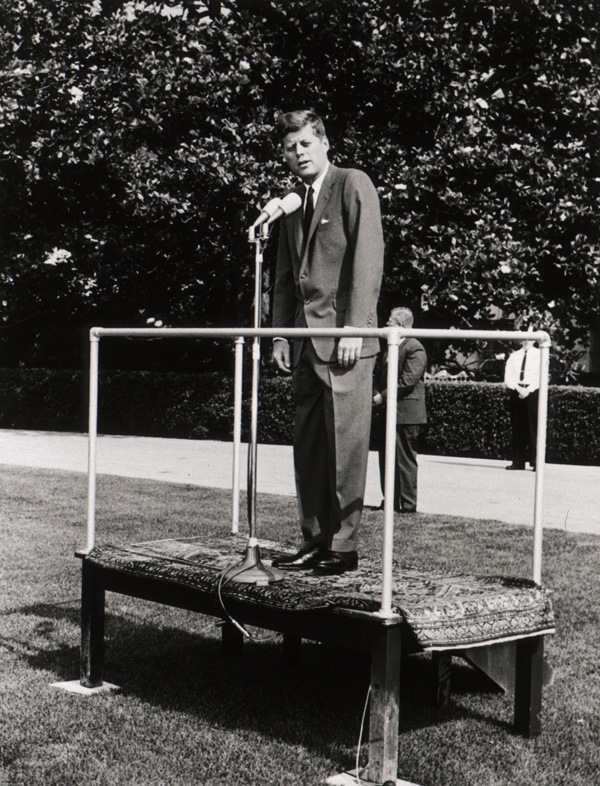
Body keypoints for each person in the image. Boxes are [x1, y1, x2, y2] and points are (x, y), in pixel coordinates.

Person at [270, 109, 384, 575]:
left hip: (345, 344)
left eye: (305, 144)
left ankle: (344, 545)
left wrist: (356, 326)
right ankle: (314, 537)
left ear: (324, 143)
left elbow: (368, 257)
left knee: (346, 446)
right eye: (290, 148)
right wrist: (279, 331)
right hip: (303, 345)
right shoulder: (292, 205)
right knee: (310, 447)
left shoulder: (353, 183)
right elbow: (282, 278)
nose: (298, 153)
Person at [373, 307, 427, 513]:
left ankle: (407, 504)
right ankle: (391, 500)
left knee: (404, 459)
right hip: (389, 412)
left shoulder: (415, 348)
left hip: (407, 413)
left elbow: (408, 380)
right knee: (386, 458)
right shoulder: (390, 347)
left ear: (402, 326)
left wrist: (381, 396)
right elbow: (379, 374)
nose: (386, 325)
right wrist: (377, 391)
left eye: (390, 322)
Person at [504, 335, 540, 470]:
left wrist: (528, 390)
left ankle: (536, 461)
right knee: (518, 427)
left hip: (532, 393)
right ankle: (518, 462)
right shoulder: (514, 356)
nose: (527, 341)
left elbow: (541, 376)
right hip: (516, 391)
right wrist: (518, 388)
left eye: (530, 338)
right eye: (524, 338)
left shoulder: (540, 355)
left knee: (533, 427)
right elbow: (508, 377)